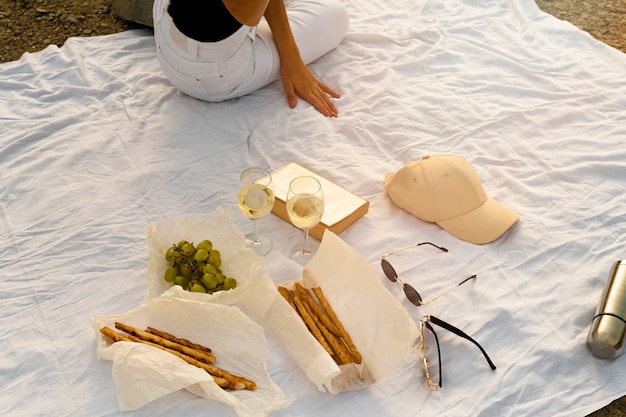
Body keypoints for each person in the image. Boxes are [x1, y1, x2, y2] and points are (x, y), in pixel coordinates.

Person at [153, 0, 349, 117]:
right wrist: (292, 60)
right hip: (208, 73)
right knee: (335, 13)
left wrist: (293, 60)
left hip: (166, 33)